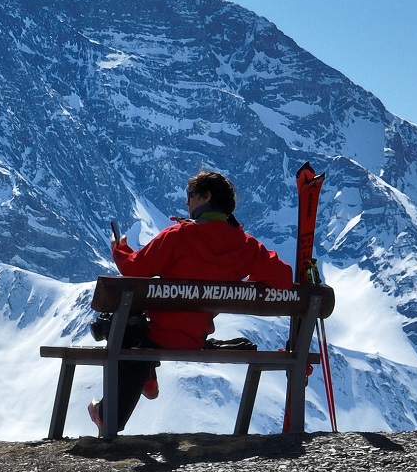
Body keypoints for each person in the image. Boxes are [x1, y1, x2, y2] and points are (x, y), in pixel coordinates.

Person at [89, 170, 294, 432]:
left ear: (206, 197)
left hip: (153, 337)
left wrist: (119, 248)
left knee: (120, 325)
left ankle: (112, 411)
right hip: (195, 338)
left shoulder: (177, 236)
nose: (187, 203)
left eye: (191, 196)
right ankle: (144, 375)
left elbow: (134, 269)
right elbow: (284, 278)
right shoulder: (246, 247)